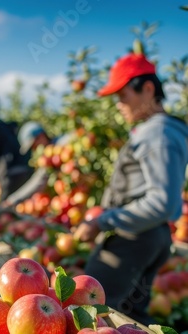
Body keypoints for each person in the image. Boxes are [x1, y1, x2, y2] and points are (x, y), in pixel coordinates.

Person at [74, 53, 188, 324]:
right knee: (131, 316)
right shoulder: (169, 130)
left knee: (89, 313)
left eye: (123, 95)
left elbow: (160, 202)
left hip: (135, 236)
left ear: (148, 89)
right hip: (154, 236)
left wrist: (103, 221)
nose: (119, 105)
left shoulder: (156, 135)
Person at [3, 121, 70, 206]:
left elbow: (38, 181)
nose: (34, 149)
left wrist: (12, 200)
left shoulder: (62, 145)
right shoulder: (48, 158)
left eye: (33, 145)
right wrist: (13, 199)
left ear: (41, 136)